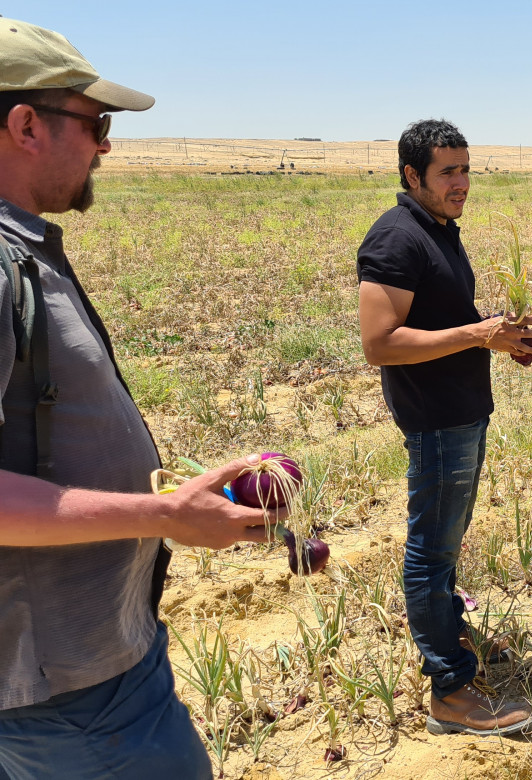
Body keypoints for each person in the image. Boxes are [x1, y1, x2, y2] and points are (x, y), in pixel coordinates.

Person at [0, 19, 281, 780]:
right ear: (26, 124)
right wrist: (163, 516)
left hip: (83, 668)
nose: (106, 145)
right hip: (71, 692)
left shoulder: (23, 248)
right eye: (94, 122)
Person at [356, 118, 532, 737]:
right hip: (435, 421)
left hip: (463, 409)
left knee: (448, 539)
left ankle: (452, 634)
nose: (462, 183)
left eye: (466, 169)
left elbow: (445, 324)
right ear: (412, 176)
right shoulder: (395, 239)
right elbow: (380, 343)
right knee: (430, 550)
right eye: (448, 172)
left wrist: (498, 337)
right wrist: (476, 334)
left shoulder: (438, 230)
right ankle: (450, 690)